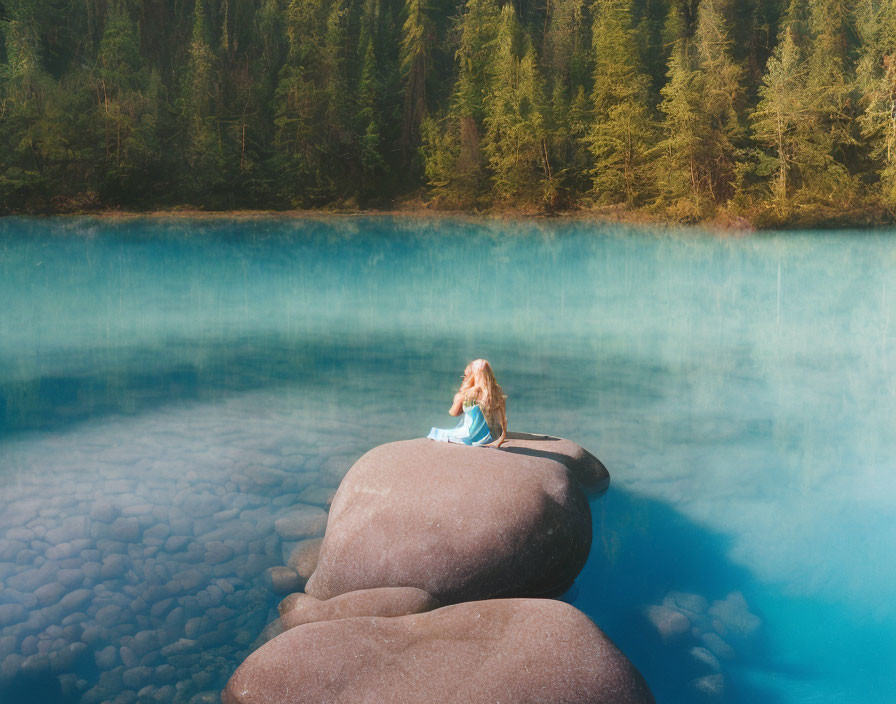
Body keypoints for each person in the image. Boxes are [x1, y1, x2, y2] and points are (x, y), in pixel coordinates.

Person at [427, 359, 507, 447]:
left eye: (465, 375)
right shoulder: (495, 393)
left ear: (472, 376)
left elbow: (453, 413)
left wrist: (458, 398)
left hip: (471, 436)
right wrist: (500, 439)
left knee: (435, 433)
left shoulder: (468, 394)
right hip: (492, 436)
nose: (464, 378)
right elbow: (503, 419)